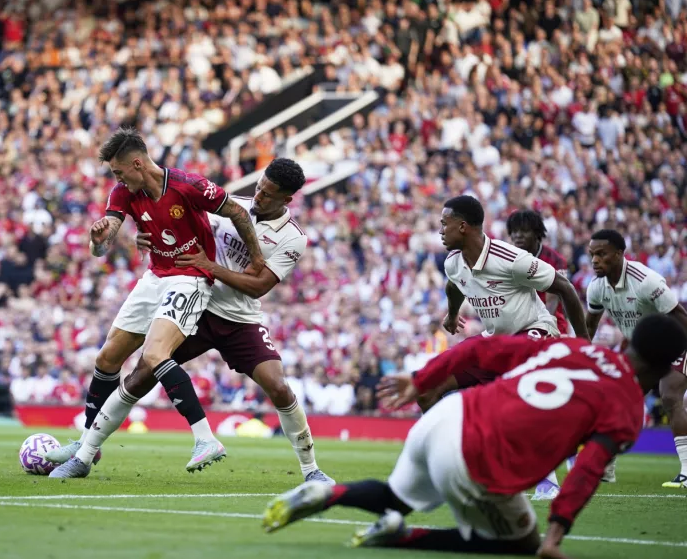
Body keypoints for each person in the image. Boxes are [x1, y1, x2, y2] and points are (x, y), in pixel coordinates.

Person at [261, 315, 687, 558]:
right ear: (668, 367)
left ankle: (326, 495)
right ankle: (402, 537)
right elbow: (587, 471)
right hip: (480, 457)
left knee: (397, 497)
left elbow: (481, 349)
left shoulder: (576, 348)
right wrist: (554, 539)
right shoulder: (627, 408)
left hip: (450, 414)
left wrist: (420, 380)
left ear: (627, 341)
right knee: (523, 544)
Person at [48, 159, 332, 484]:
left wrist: (210, 266)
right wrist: (147, 237)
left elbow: (259, 286)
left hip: (241, 320)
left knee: (279, 387)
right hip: (199, 306)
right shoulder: (228, 207)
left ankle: (312, 470)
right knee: (141, 375)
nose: (258, 197)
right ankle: (84, 454)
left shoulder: (293, 238)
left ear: (287, 200)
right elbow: (175, 232)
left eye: (268, 195)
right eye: (258, 188)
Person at [48, 127, 265, 478]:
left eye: (119, 172)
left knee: (154, 355)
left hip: (190, 277)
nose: (116, 179)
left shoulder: (188, 185)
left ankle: (205, 439)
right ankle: (88, 440)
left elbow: (238, 213)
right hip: (154, 278)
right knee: (107, 357)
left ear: (137, 163)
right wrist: (98, 243)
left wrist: (256, 260)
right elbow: (106, 238)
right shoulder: (124, 192)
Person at [435, 196, 590, 500]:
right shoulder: (453, 262)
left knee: (516, 389)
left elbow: (565, 287)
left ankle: (546, 478)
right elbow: (453, 286)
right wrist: (452, 315)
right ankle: (450, 468)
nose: (440, 230)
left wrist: (584, 344)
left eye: (444, 223)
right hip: (499, 340)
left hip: (536, 331)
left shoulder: (511, 258)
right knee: (436, 382)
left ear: (463, 226)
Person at [585, 229, 687, 488]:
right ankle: (605, 468)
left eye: (601, 254)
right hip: (642, 351)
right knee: (615, 401)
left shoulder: (646, 281)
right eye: (592, 255)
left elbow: (680, 317)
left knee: (670, 394)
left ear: (619, 254)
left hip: (673, 341)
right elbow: (589, 327)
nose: (595, 260)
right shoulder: (596, 288)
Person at [507, 209, 570, 337]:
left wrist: (540, 330)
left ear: (536, 233)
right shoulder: (507, 259)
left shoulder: (555, 260)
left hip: (551, 326)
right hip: (518, 325)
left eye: (524, 231)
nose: (518, 235)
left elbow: (552, 302)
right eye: (514, 231)